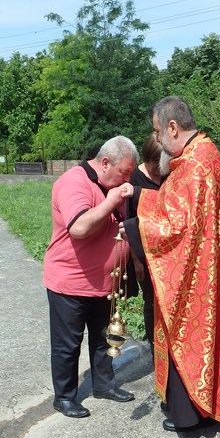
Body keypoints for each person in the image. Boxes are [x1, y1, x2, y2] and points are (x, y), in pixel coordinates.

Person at [123, 96, 220, 433]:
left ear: (172, 127)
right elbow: (177, 205)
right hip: (207, 262)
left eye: (157, 131)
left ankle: (192, 414)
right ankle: (206, 402)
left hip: (196, 271)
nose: (157, 139)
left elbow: (179, 227)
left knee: (189, 334)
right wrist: (138, 195)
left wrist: (136, 227)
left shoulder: (194, 164)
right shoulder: (202, 152)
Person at [43, 136, 138, 418]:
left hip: (105, 284)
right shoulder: (74, 182)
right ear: (105, 162)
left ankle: (104, 385)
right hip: (70, 284)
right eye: (124, 172)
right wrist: (112, 202)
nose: (127, 179)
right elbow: (80, 228)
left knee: (103, 339)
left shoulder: (112, 184)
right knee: (67, 346)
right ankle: (65, 397)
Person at [126, 134, 167, 349]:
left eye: (163, 164)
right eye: (155, 164)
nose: (159, 169)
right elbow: (128, 222)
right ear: (146, 158)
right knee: (152, 300)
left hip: (168, 251)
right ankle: (155, 346)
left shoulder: (169, 175)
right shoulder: (134, 179)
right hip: (144, 252)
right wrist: (136, 260)